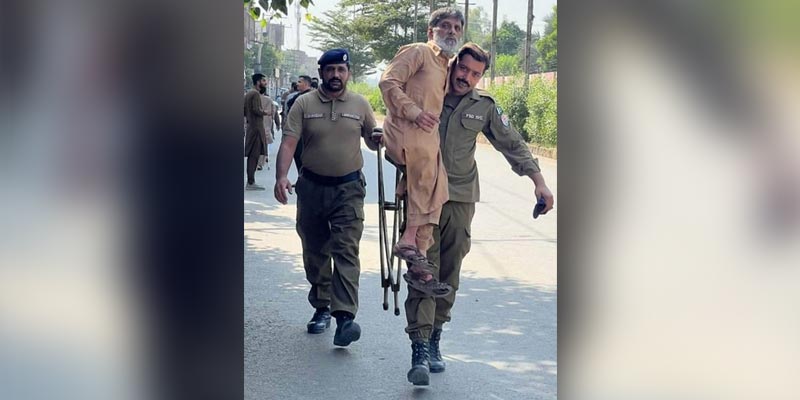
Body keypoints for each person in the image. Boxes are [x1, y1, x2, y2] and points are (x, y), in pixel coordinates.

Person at [422, 43, 555, 383]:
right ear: (453, 66)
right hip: (422, 195)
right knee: (423, 267)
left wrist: (538, 182)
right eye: (463, 69)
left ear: (481, 76)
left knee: (449, 269)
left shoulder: (484, 107)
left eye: (475, 73)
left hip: (460, 197)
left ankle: (435, 335)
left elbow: (511, 143)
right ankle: (419, 341)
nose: (466, 77)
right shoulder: (428, 93)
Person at [378, 7, 464, 386]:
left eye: (456, 27)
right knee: (429, 164)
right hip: (404, 130)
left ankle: (418, 260)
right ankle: (410, 240)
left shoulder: (447, 65)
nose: (450, 31)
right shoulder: (417, 51)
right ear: (431, 29)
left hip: (423, 139)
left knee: (438, 185)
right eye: (444, 25)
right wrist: (412, 112)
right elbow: (387, 82)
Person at [274, 49, 379, 347]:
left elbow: (372, 140)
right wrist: (282, 176)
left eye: (341, 70)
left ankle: (345, 317)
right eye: (330, 70)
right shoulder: (303, 103)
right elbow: (288, 142)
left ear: (348, 73)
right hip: (311, 188)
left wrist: (379, 138)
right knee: (315, 250)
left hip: (349, 189)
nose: (336, 75)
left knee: (346, 249)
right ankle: (322, 307)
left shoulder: (360, 104)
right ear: (321, 72)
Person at [243, 73, 271, 190]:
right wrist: (266, 112)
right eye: (263, 81)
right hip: (256, 129)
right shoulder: (254, 94)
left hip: (252, 127)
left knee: (253, 156)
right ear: (258, 82)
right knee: (254, 156)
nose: (265, 83)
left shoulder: (248, 93)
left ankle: (251, 181)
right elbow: (256, 110)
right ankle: (250, 182)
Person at [283, 75, 314, 171]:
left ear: (306, 84)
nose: (297, 84)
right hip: (296, 131)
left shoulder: (311, 97)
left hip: (306, 132)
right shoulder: (296, 96)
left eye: (300, 82)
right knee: (298, 156)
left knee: (304, 158)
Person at [257, 89, 281, 170]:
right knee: (264, 144)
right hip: (266, 125)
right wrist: (278, 124)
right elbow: (275, 113)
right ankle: (263, 159)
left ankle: (259, 161)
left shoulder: (251, 99)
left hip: (255, 126)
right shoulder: (269, 100)